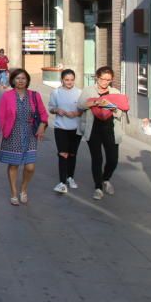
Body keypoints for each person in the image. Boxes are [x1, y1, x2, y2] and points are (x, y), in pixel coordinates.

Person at [0, 68, 48, 205]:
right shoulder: (7, 96)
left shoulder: (34, 95)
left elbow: (43, 114)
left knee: (30, 166)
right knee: (14, 164)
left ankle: (23, 189)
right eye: (17, 78)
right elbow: (0, 116)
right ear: (13, 80)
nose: (20, 81)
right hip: (12, 133)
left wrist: (42, 125)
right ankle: (14, 192)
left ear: (27, 81)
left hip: (30, 132)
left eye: (23, 78)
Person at [77, 66, 125, 201]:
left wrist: (108, 105)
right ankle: (98, 187)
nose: (105, 82)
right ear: (97, 77)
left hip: (111, 129)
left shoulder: (115, 92)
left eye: (108, 80)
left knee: (113, 159)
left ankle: (106, 179)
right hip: (93, 129)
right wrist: (96, 102)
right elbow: (80, 105)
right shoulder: (88, 90)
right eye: (102, 79)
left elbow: (120, 113)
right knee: (97, 159)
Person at [48, 69, 83, 194]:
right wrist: (57, 110)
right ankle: (62, 182)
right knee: (63, 154)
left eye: (72, 80)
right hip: (60, 128)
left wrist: (76, 113)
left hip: (75, 128)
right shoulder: (56, 92)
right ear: (62, 80)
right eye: (67, 80)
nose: (69, 82)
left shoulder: (80, 93)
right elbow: (51, 108)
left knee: (72, 154)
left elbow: (83, 109)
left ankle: (70, 177)